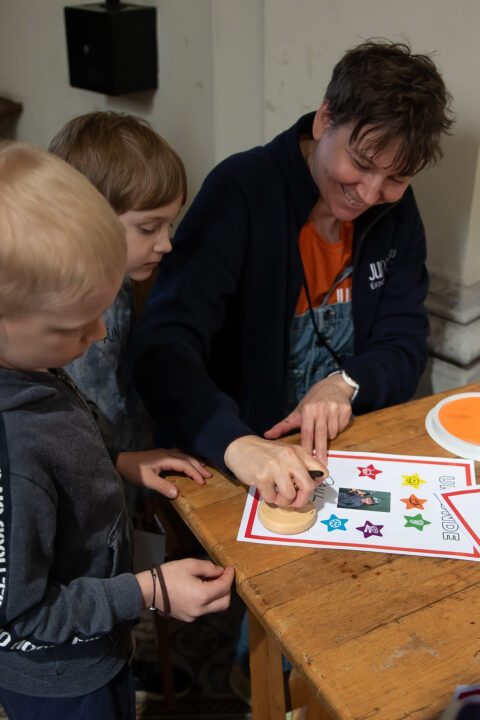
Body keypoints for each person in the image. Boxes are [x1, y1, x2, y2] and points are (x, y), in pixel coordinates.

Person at [130, 39, 453, 508]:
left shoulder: (397, 213)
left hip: (350, 454)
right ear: (325, 119)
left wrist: (346, 383)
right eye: (360, 164)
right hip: (237, 460)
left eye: (395, 179)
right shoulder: (239, 191)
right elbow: (161, 347)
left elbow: (404, 343)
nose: (368, 193)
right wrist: (236, 442)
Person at [0, 142, 234, 719]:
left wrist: (122, 462)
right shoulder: (14, 461)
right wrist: (149, 590)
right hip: (60, 677)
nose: (101, 334)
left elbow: (70, 434)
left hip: (99, 643)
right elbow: (22, 615)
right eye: (77, 326)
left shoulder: (31, 362)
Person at [49, 111, 209, 501]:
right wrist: (118, 459)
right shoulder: (52, 308)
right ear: (87, 215)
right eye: (147, 228)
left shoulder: (122, 281)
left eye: (168, 226)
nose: (165, 243)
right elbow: (54, 424)